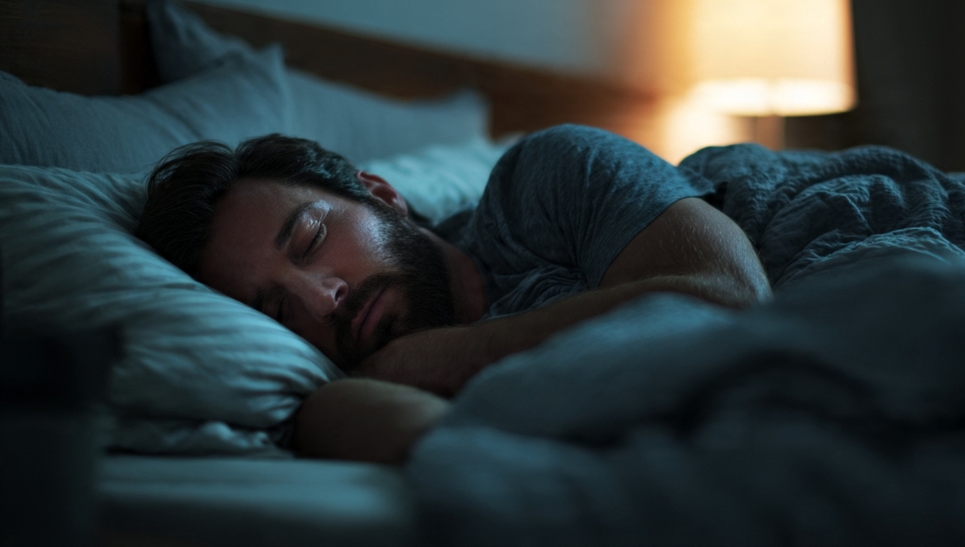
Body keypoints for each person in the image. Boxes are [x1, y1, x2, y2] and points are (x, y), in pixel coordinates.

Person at [136, 125, 772, 463]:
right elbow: (475, 470)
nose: (320, 299)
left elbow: (730, 300)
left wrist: (452, 354)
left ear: (382, 196)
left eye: (309, 241)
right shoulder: (346, 389)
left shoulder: (546, 178)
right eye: (275, 310)